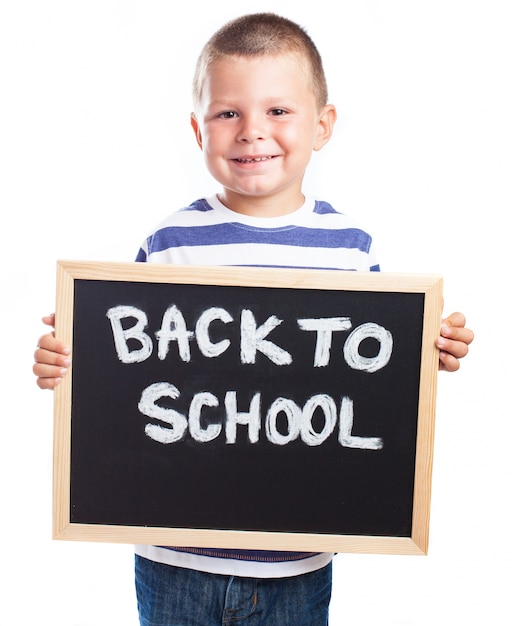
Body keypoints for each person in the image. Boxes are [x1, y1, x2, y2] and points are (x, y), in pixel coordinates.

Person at [33, 12, 474, 626]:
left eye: (278, 111)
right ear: (198, 129)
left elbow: (379, 373)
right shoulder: (170, 242)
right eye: (228, 113)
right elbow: (117, 368)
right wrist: (67, 361)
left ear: (323, 126)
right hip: (174, 557)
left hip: (296, 563)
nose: (251, 132)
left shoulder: (350, 249)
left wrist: (432, 350)